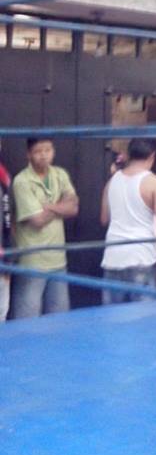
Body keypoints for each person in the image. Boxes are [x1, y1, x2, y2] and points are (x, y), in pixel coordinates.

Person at [9, 138, 78, 319]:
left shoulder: (60, 174)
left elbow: (74, 208)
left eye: (48, 150)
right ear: (28, 154)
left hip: (58, 259)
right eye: (38, 151)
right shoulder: (22, 181)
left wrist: (49, 207)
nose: (44, 155)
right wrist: (61, 206)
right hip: (32, 261)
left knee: (59, 319)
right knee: (27, 320)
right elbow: (37, 220)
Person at [100, 138, 156, 303]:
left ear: (129, 155)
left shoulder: (112, 181)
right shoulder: (154, 182)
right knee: (144, 315)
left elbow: (104, 219)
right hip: (142, 255)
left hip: (113, 255)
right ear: (152, 156)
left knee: (112, 315)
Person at [0, 143, 11, 321]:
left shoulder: (4, 176)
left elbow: (8, 218)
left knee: (2, 313)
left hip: (2, 257)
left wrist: (9, 258)